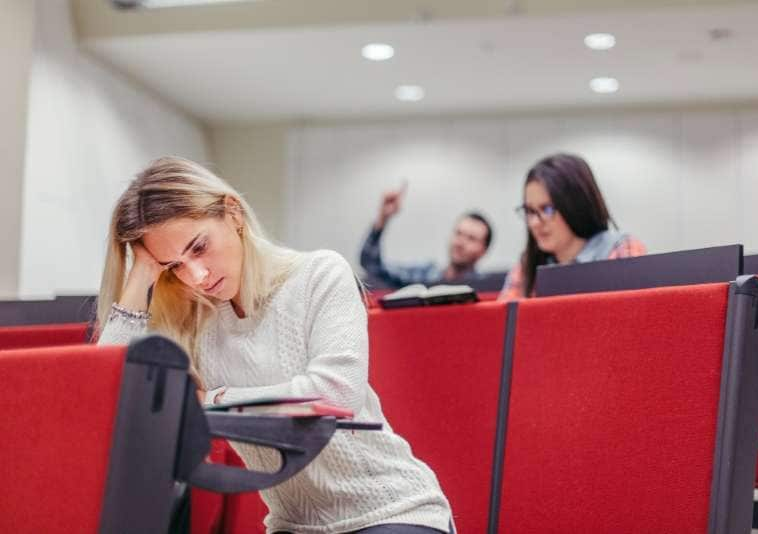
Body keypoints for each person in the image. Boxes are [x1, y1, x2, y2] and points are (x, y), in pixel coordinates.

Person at [95, 157, 454, 533]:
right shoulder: (192, 317)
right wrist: (140, 275)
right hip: (293, 525)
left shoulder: (319, 274)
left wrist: (213, 400)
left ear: (232, 213)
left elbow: (333, 396)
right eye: (173, 265)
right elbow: (105, 399)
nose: (196, 276)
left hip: (390, 509)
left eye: (199, 248)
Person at [500, 153, 646, 300]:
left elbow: (630, 315)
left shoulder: (621, 248)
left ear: (575, 205)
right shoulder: (527, 264)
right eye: (530, 211)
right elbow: (505, 318)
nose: (534, 223)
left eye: (547, 209)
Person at [360, 183, 492, 288]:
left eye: (471, 238)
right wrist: (383, 218)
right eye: (458, 233)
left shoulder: (486, 287)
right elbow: (371, 265)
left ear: (483, 251)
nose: (460, 242)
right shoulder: (423, 275)